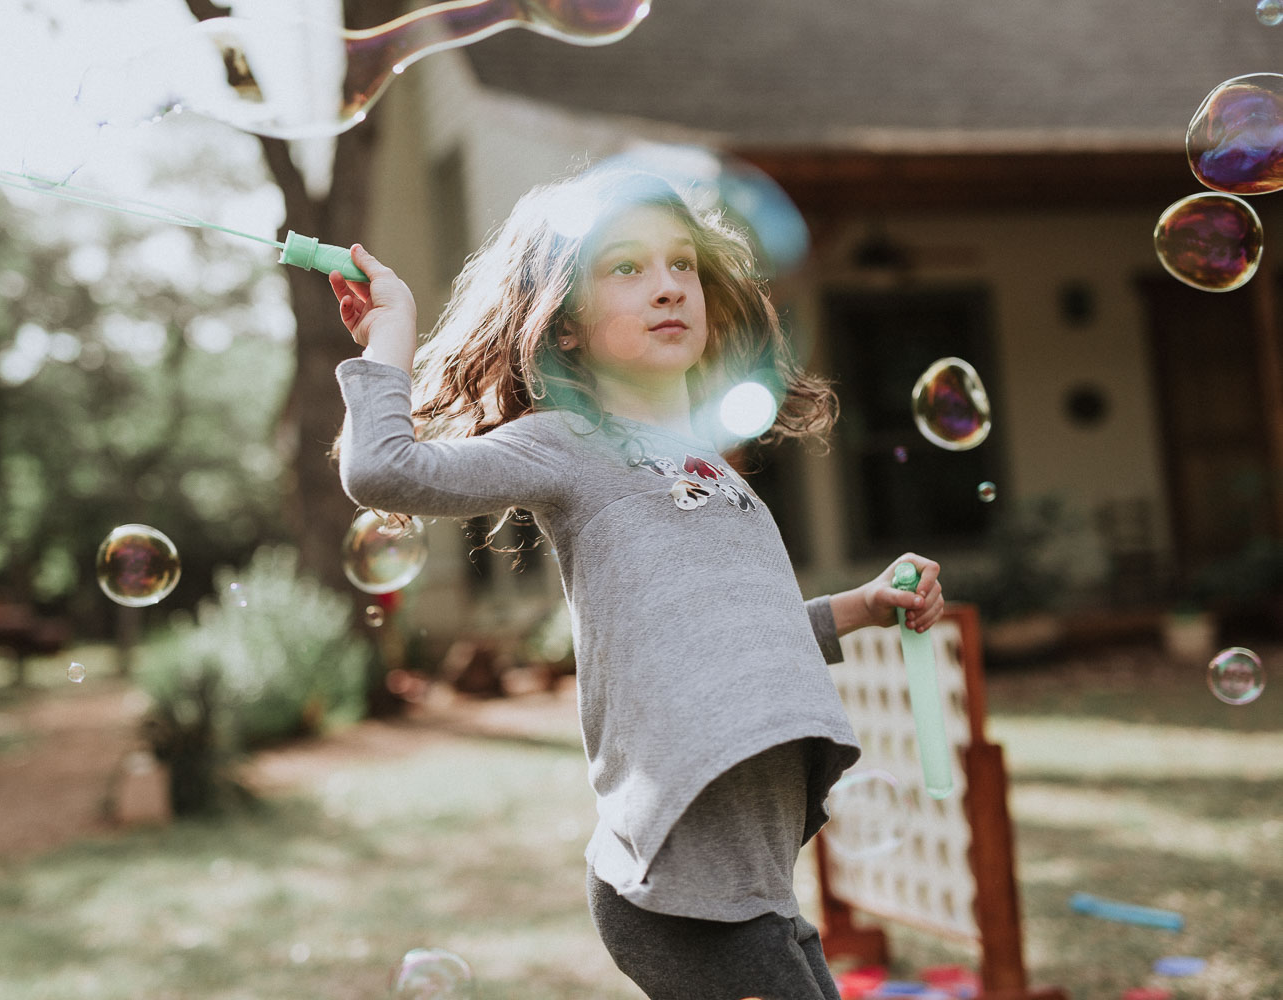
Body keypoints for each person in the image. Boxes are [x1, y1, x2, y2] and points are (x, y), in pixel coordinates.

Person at [329, 166, 944, 1000]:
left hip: (753, 894)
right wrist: (390, 338)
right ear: (567, 324)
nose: (667, 287)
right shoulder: (570, 443)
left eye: (681, 264)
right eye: (626, 268)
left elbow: (733, 639)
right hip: (677, 896)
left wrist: (862, 608)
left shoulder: (712, 467)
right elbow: (384, 469)